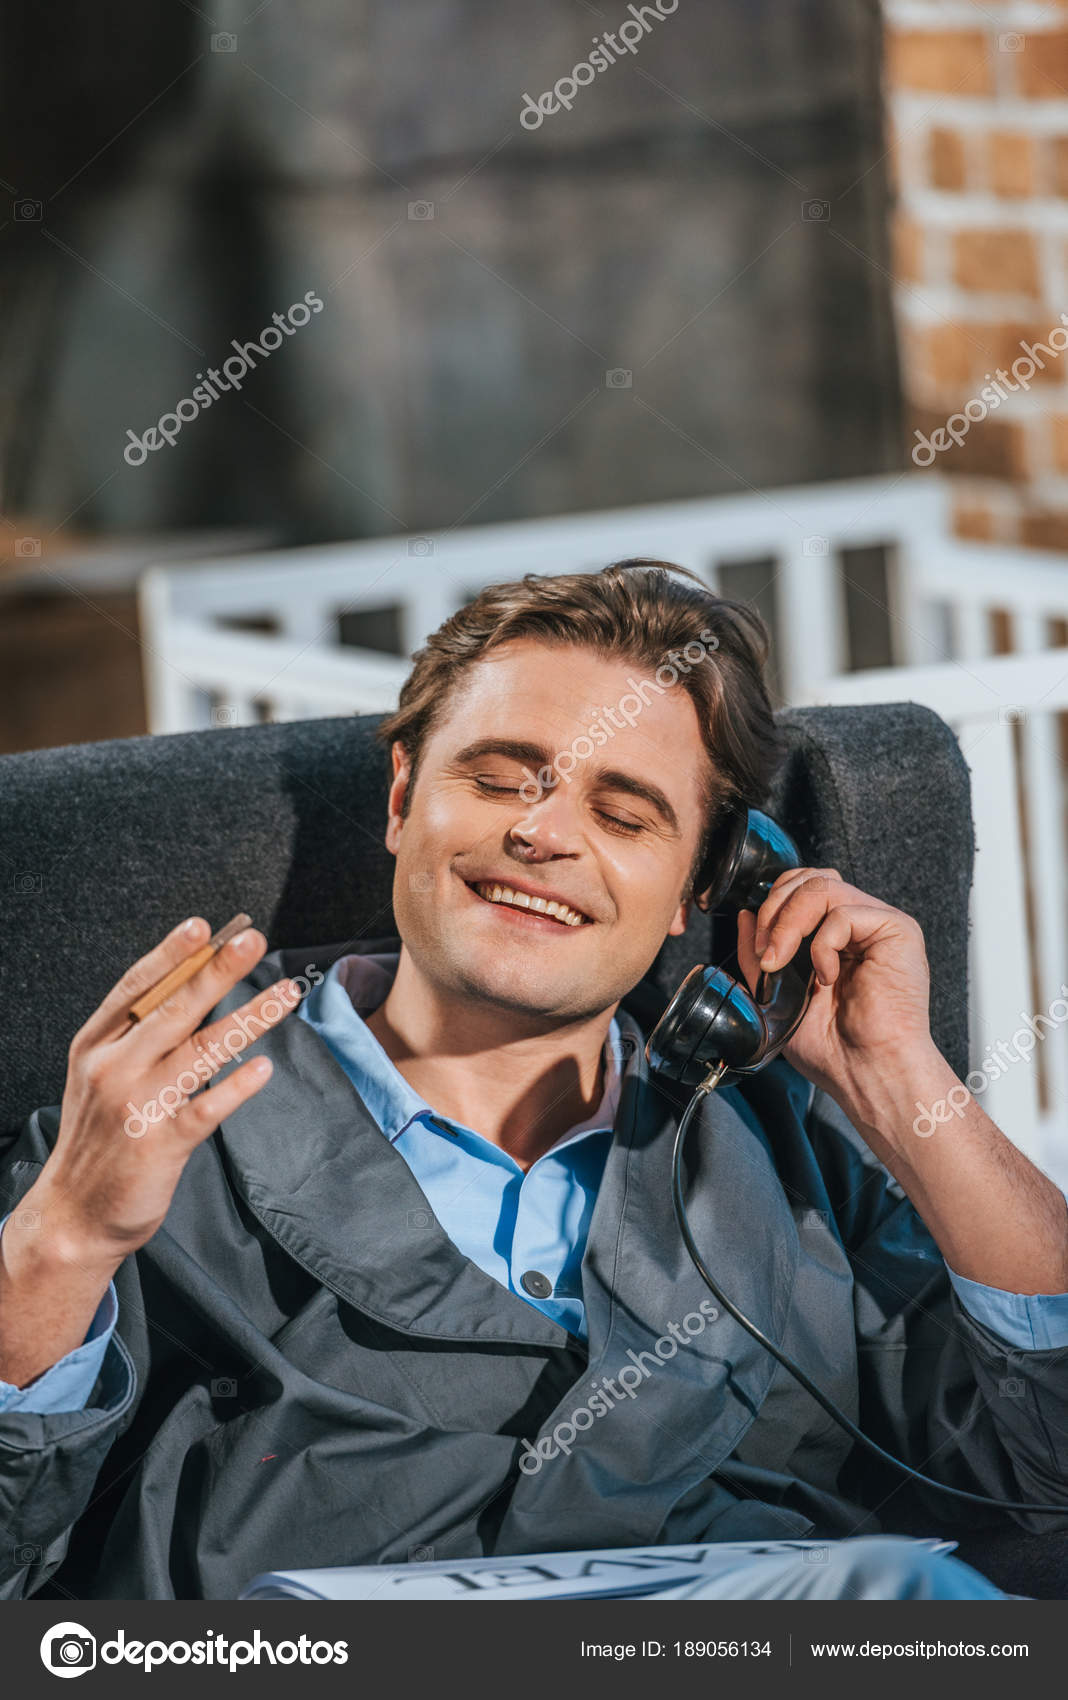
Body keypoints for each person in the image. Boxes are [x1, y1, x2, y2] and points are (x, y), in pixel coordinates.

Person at [1, 562, 1066, 1602]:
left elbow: (1049, 1469)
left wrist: (903, 1081)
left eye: (624, 812)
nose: (543, 832)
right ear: (405, 795)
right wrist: (65, 1239)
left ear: (700, 887)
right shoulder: (144, 1122)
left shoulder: (778, 1147)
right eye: (501, 778)